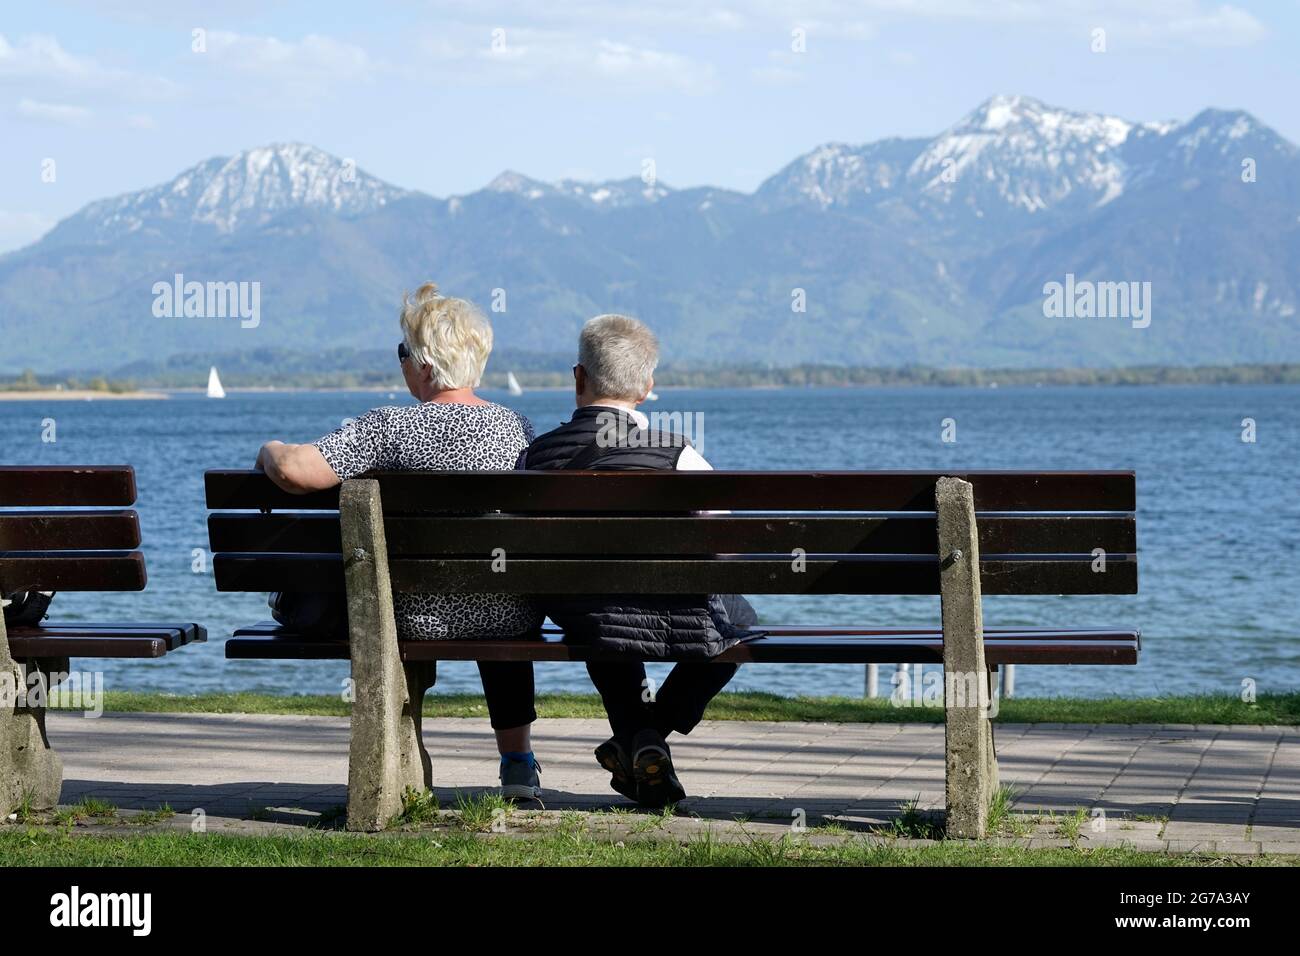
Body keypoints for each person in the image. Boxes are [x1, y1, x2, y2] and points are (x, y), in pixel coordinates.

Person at [253, 282, 544, 800]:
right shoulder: (516, 427)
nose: (401, 363)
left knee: (394, 595)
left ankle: (400, 763)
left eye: (403, 352)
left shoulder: (389, 427)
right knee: (495, 586)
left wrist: (270, 448)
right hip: (507, 613)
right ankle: (518, 762)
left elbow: (297, 472)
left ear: (427, 366)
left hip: (407, 614)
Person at [520, 314, 759, 807]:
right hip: (671, 616)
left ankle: (636, 736)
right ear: (648, 387)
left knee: (602, 616)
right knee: (741, 623)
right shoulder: (676, 454)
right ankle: (650, 734)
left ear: (579, 378)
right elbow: (727, 543)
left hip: (583, 616)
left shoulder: (536, 457)